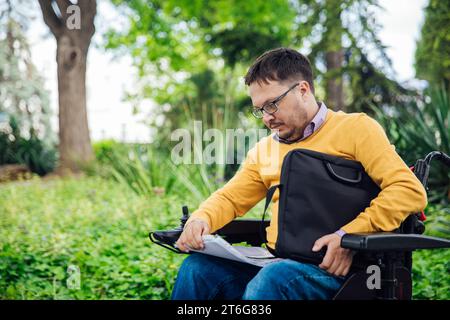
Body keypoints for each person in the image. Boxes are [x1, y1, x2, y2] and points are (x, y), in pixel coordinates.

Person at [171, 47, 428, 300]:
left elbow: (408, 190)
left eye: (272, 104)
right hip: (277, 263)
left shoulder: (357, 129)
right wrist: (200, 219)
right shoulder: (265, 150)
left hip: (340, 270)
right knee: (198, 269)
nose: (266, 118)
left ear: (303, 90)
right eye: (259, 109)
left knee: (276, 278)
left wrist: (347, 237)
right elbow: (229, 198)